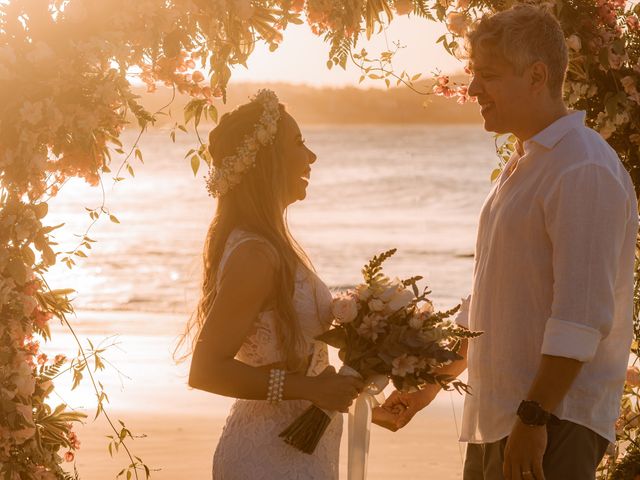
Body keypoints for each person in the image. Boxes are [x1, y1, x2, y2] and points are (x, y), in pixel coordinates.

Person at [373, 5, 638, 480]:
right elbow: (497, 300)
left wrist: (534, 418)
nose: (473, 89)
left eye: (489, 76)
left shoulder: (583, 169)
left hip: (551, 423)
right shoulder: (526, 167)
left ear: (537, 75)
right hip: (501, 419)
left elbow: (580, 316)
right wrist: (429, 384)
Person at [182, 89, 362, 479]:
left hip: (299, 446)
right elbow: (206, 370)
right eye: (299, 143)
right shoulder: (255, 255)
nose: (311, 157)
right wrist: (309, 388)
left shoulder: (271, 247)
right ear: (267, 161)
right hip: (267, 456)